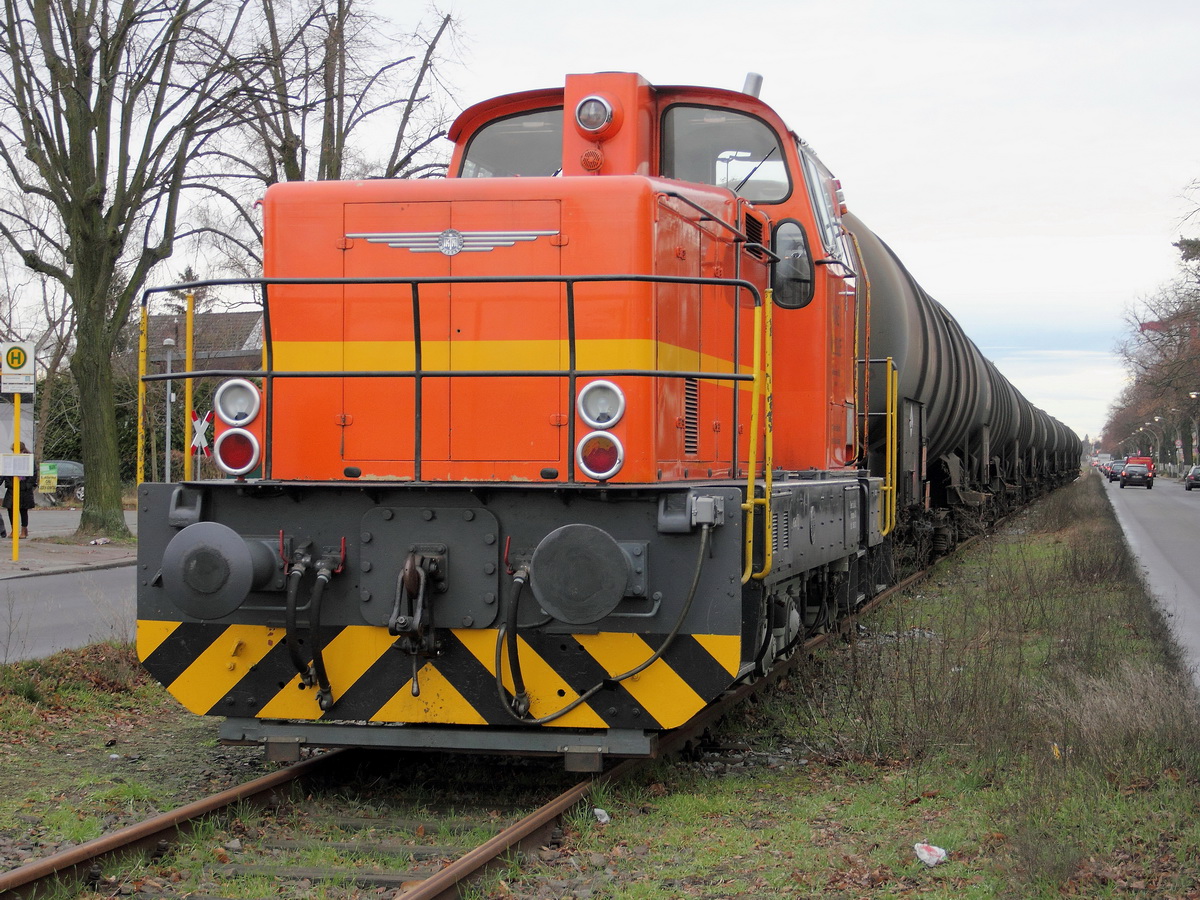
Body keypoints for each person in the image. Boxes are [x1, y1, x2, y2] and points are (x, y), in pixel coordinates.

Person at [2, 442, 35, 539]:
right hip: (12, 488)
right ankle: (13, 529)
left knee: (23, 510)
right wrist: (8, 483)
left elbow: (34, 474)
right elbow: (5, 472)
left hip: (24, 489)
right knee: (10, 509)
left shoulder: (28, 459)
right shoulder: (10, 459)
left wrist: (27, 485)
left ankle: (24, 529)